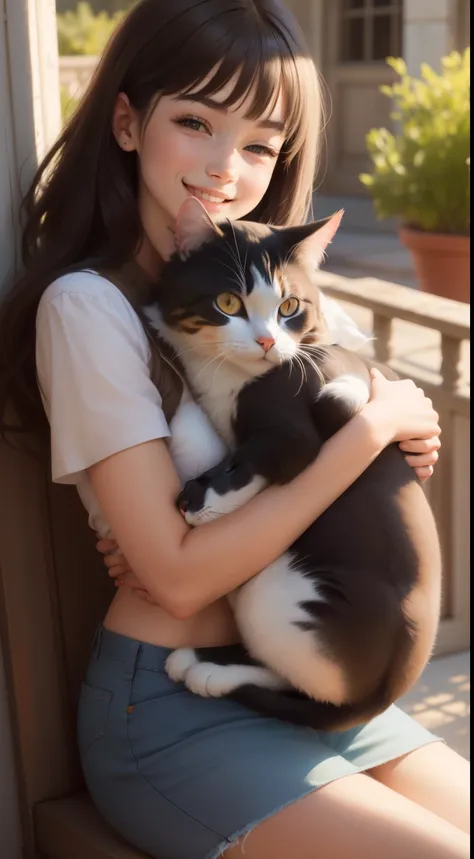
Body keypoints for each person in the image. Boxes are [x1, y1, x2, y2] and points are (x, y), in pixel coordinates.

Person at [0, 2, 468, 858]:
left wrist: (400, 422)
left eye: (259, 143)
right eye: (195, 122)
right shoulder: (88, 310)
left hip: (320, 687)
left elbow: (376, 397)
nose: (226, 166)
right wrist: (363, 438)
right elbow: (179, 581)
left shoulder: (269, 289)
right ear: (128, 120)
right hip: (174, 717)